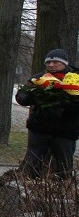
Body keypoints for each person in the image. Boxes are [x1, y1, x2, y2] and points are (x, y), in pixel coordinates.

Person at [15, 48, 79, 178]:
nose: (51, 65)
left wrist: (65, 103)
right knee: (33, 161)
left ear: (65, 63)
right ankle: (28, 187)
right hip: (39, 128)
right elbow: (21, 96)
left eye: (55, 62)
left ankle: (63, 190)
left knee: (64, 164)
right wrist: (35, 96)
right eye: (48, 62)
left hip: (65, 130)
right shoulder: (38, 79)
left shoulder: (75, 78)